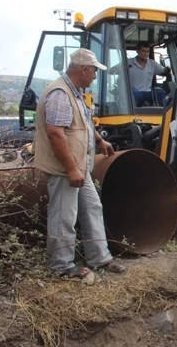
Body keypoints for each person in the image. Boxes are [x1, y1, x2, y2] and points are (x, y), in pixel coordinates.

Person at [33, 48, 126, 279]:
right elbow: (56, 133)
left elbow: (83, 123)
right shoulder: (60, 94)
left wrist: (100, 140)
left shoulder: (74, 93)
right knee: (64, 214)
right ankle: (61, 266)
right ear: (83, 70)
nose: (95, 76)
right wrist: (72, 168)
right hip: (66, 169)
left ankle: (99, 257)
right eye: (94, 71)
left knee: (93, 207)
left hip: (78, 166)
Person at [128, 41, 171, 106]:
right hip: (135, 93)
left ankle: (163, 112)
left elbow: (163, 70)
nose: (146, 54)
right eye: (143, 51)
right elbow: (112, 71)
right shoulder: (128, 62)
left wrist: (167, 69)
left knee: (161, 92)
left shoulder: (152, 63)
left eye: (147, 52)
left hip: (148, 92)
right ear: (137, 51)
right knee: (133, 96)